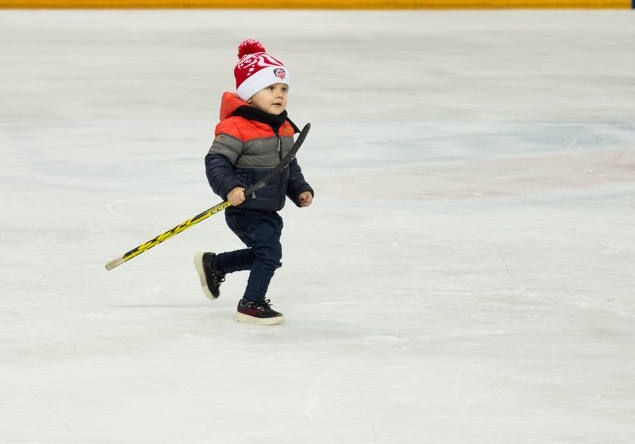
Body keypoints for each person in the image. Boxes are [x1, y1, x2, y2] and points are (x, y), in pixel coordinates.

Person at [194, 39, 314, 326]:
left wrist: (299, 189)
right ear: (249, 95)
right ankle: (250, 303)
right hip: (245, 207)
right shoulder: (235, 127)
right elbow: (216, 162)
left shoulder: (283, 127)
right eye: (270, 88)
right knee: (269, 254)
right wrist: (231, 188)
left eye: (283, 89)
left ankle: (215, 264)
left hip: (269, 208)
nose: (279, 94)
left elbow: (288, 164)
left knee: (265, 255)